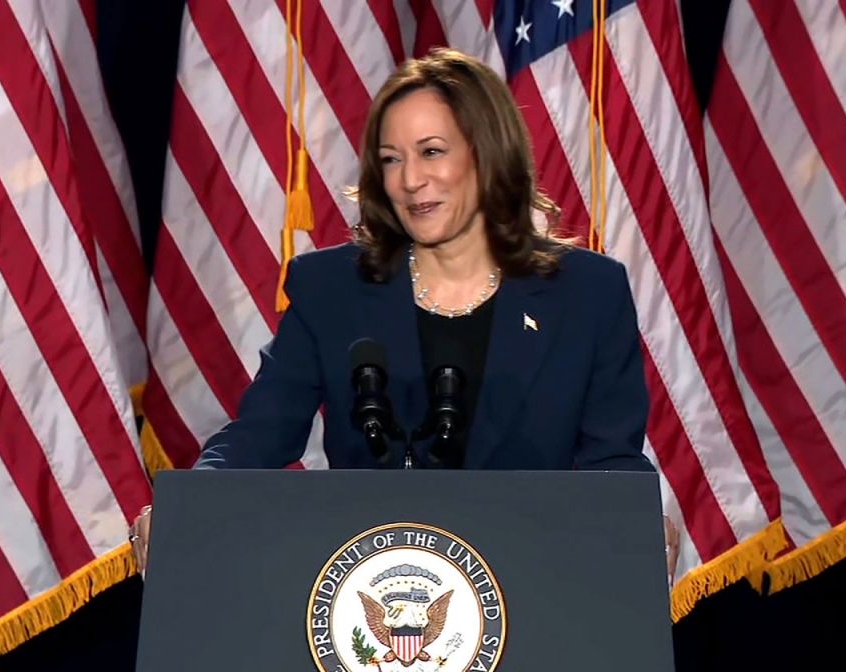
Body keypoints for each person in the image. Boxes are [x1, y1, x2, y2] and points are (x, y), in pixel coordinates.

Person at [130, 47, 678, 576]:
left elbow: (613, 461)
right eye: (391, 159)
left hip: (532, 585)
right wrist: (192, 504)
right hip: (366, 592)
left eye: (432, 151)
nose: (409, 180)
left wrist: (639, 524)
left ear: (487, 155)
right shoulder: (331, 288)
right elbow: (260, 432)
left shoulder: (587, 291)